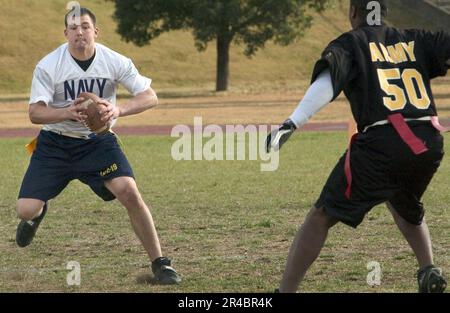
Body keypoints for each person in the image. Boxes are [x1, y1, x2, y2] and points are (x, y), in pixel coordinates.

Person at [266, 0, 448, 293]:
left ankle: (284, 292)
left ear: (353, 12)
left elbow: (329, 80)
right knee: (402, 199)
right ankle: (428, 269)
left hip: (384, 144)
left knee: (321, 216)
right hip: (428, 143)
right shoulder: (415, 38)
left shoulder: (351, 42)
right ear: (384, 12)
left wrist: (292, 122)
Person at [16, 7, 181, 285]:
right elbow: (35, 113)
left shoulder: (113, 60)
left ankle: (160, 263)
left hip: (97, 142)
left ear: (95, 31)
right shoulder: (49, 65)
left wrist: (118, 110)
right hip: (55, 143)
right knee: (25, 209)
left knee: (129, 191)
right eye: (73, 28)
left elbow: (149, 96)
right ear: (65, 33)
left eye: (85, 26)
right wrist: (67, 112)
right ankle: (37, 214)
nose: (79, 32)